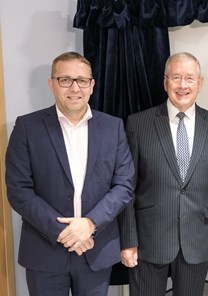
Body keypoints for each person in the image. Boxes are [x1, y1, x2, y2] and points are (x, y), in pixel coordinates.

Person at [5, 51, 135, 295]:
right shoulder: (26, 127)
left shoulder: (113, 127)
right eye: (65, 80)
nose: (74, 88)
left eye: (82, 80)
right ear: (52, 84)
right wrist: (65, 232)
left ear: (92, 85)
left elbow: (124, 185)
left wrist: (90, 224)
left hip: (95, 249)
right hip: (45, 251)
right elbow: (18, 190)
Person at [119, 52, 208, 296]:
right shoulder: (138, 124)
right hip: (149, 239)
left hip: (198, 238)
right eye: (176, 78)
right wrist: (128, 240)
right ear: (165, 82)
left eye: (190, 78)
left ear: (200, 83)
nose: (183, 85)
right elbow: (127, 188)